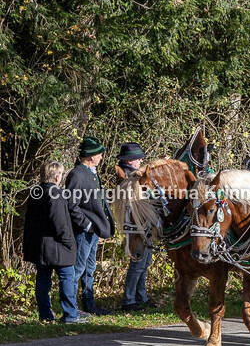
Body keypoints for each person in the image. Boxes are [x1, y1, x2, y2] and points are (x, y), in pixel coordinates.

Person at [23, 162, 88, 323]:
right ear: (58, 176)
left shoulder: (36, 192)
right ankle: (70, 314)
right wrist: (70, 243)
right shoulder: (56, 194)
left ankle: (45, 315)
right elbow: (60, 224)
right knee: (66, 277)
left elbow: (29, 221)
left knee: (43, 279)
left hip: (40, 246)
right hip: (58, 246)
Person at [65, 135, 114, 316]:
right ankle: (70, 309)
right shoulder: (77, 174)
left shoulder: (91, 174)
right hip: (83, 231)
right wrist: (87, 225)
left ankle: (89, 305)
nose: (101, 157)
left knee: (90, 269)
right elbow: (71, 204)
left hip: (94, 231)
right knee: (78, 269)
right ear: (91, 156)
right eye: (99, 154)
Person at [114, 143, 155, 312]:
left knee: (144, 262)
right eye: (137, 158)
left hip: (143, 223)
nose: (140, 160)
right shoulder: (127, 176)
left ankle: (140, 295)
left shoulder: (134, 174)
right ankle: (129, 299)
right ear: (129, 160)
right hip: (135, 225)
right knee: (137, 263)